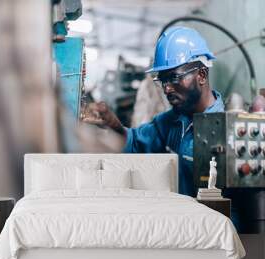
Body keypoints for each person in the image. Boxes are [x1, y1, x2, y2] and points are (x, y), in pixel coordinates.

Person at [83, 26, 224, 197]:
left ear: (201, 75)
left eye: (173, 78)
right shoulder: (170, 122)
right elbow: (136, 142)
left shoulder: (225, 130)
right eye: (163, 80)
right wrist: (114, 125)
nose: (166, 89)